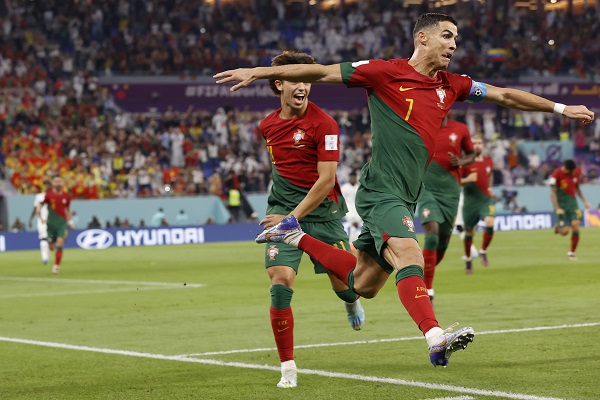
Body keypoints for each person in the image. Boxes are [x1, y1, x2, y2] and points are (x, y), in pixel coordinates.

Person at [214, 13, 594, 368]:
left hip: (407, 194)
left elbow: (505, 96)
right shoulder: (383, 73)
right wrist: (261, 71)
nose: (453, 45)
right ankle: (434, 336)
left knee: (363, 285)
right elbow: (321, 71)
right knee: (410, 253)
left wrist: (560, 108)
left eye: (456, 39)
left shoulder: (453, 85)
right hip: (381, 190)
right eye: (447, 36)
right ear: (422, 38)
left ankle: (295, 236)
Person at [254, 51, 365, 388]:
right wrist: (283, 215)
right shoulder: (267, 126)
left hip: (324, 216)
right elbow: (282, 170)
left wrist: (292, 217)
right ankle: (288, 367)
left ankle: (351, 303)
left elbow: (326, 181)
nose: (303, 86)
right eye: (295, 80)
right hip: (282, 214)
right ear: (279, 84)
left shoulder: (325, 125)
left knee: (349, 287)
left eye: (308, 79)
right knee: (280, 284)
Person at [418, 115, 476, 303]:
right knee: (432, 233)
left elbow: (471, 154)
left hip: (450, 191)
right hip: (426, 189)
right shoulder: (422, 125)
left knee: (442, 242)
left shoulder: (460, 129)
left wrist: (461, 161)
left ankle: (424, 270)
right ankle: (428, 289)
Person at [460, 136, 495, 274]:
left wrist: (490, 188)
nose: (477, 145)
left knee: (490, 223)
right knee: (469, 233)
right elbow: (456, 180)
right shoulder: (464, 162)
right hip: (470, 203)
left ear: (483, 145)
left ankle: (483, 250)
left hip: (485, 200)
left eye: (479, 143)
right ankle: (468, 258)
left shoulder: (488, 161)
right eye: (474, 143)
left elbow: (490, 175)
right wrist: (468, 179)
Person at [549, 159, 591, 260]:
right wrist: (557, 208)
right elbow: (552, 193)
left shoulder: (575, 172)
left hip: (572, 204)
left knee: (575, 225)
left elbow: (577, 188)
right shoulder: (556, 175)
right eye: (571, 171)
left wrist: (585, 201)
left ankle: (571, 253)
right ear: (566, 169)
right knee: (565, 232)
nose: (573, 173)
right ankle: (558, 228)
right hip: (561, 205)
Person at [40, 176, 74, 274]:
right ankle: (50, 248)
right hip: (50, 225)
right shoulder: (48, 195)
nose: (58, 183)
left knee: (60, 242)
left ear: (63, 183)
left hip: (62, 224)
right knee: (51, 246)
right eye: (56, 181)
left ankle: (56, 266)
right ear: (53, 183)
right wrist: (41, 216)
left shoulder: (66, 196)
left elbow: (68, 209)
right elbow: (41, 206)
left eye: (60, 181)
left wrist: (70, 222)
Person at [29, 180, 51, 264]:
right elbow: (36, 209)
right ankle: (45, 257)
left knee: (52, 239)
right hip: (42, 221)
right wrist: (31, 219)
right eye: (45, 185)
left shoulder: (53, 196)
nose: (46, 187)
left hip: (51, 220)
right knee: (43, 238)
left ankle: (47, 251)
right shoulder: (39, 196)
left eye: (47, 185)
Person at [340, 171, 362, 245]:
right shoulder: (344, 187)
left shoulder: (358, 187)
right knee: (352, 225)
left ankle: (355, 243)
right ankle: (351, 243)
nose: (353, 178)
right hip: (348, 208)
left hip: (357, 209)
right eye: (351, 177)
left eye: (354, 177)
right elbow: (341, 200)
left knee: (357, 226)